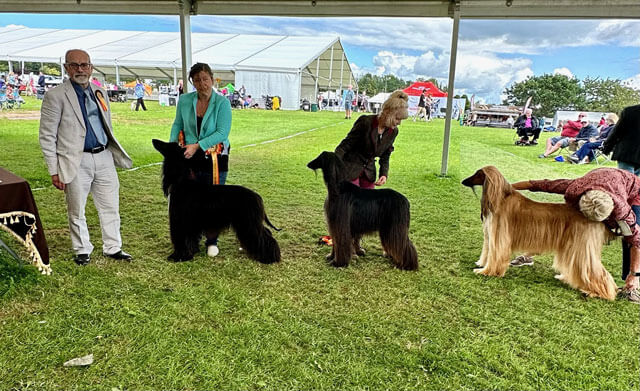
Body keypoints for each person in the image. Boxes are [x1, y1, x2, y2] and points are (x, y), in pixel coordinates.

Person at [39, 49, 133, 266]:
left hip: (104, 155)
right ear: (66, 68)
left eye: (84, 65)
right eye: (74, 65)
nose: (80, 69)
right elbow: (47, 135)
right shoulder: (55, 96)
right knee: (76, 208)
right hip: (75, 159)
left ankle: (113, 247)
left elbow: (105, 124)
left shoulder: (100, 92)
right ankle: (82, 249)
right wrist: (54, 170)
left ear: (91, 67)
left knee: (110, 205)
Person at [511, 168, 640, 302]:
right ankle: (529, 255)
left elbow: (637, 240)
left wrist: (634, 274)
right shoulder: (575, 188)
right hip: (600, 180)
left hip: (635, 191)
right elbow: (539, 185)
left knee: (631, 235)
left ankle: (632, 283)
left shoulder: (623, 212)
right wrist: (508, 187)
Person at [169, 62, 232, 258]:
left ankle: (212, 241)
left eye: (205, 79)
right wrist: (173, 148)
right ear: (192, 82)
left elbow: (222, 132)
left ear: (212, 80)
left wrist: (198, 146)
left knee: (212, 201)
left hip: (215, 156)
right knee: (190, 202)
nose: (202, 83)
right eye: (197, 80)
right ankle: (191, 239)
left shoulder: (222, 103)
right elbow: (177, 123)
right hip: (189, 156)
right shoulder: (186, 100)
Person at [603, 104, 640, 176]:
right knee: (635, 183)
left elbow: (617, 131)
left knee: (625, 181)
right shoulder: (629, 111)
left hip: (626, 152)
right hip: (630, 153)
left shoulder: (629, 111)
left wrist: (607, 147)